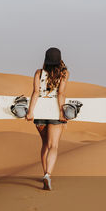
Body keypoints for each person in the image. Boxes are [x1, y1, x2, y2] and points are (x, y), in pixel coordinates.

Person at [25, 47, 68, 190]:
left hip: (40, 113)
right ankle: (48, 174)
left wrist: (31, 112)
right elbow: (61, 94)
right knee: (53, 146)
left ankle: (45, 173)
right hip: (55, 112)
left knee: (44, 145)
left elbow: (35, 92)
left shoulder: (39, 73)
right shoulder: (64, 73)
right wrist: (62, 113)